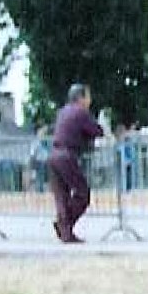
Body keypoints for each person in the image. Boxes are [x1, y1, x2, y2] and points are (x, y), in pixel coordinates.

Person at [47, 83, 104, 243]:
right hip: (67, 155)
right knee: (82, 193)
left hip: (53, 155)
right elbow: (96, 130)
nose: (89, 101)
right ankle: (64, 225)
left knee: (61, 196)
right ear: (81, 98)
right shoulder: (81, 112)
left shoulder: (62, 112)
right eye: (88, 96)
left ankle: (66, 232)